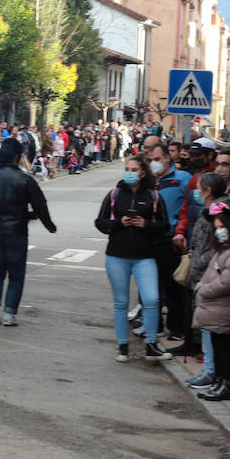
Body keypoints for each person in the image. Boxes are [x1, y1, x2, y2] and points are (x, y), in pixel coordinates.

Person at [95, 155, 171, 363]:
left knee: (151, 299)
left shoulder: (154, 196)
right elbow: (100, 223)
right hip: (117, 255)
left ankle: (152, 344)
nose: (130, 173)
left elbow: (164, 226)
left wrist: (145, 224)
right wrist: (120, 223)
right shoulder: (114, 194)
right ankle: (123, 346)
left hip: (144, 256)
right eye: (127, 169)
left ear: (143, 173)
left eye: (134, 169)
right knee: (121, 303)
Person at [0, 137, 57, 326]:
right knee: (16, 274)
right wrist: (49, 225)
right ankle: (9, 313)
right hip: (17, 232)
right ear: (17, 157)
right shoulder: (25, 180)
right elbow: (40, 205)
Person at [192, 201, 230, 402]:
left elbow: (228, 282)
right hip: (215, 307)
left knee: (223, 349)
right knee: (217, 346)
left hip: (224, 307)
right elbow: (209, 273)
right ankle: (219, 380)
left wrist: (204, 289)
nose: (219, 232)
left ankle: (226, 384)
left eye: (222, 228)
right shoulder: (223, 249)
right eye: (217, 229)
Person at [183, 172, 228, 391]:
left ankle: (213, 371)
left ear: (208, 191)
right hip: (201, 273)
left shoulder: (219, 212)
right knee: (206, 327)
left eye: (199, 188)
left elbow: (220, 245)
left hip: (210, 275)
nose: (196, 192)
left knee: (211, 328)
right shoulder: (208, 211)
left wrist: (200, 261)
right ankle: (209, 369)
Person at [145, 141, 191, 342]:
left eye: (158, 159)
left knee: (173, 286)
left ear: (167, 158)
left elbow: (188, 208)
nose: (155, 163)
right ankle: (152, 326)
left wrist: (180, 232)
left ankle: (176, 328)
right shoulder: (146, 180)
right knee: (149, 287)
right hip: (147, 239)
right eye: (151, 160)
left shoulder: (182, 179)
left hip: (170, 240)